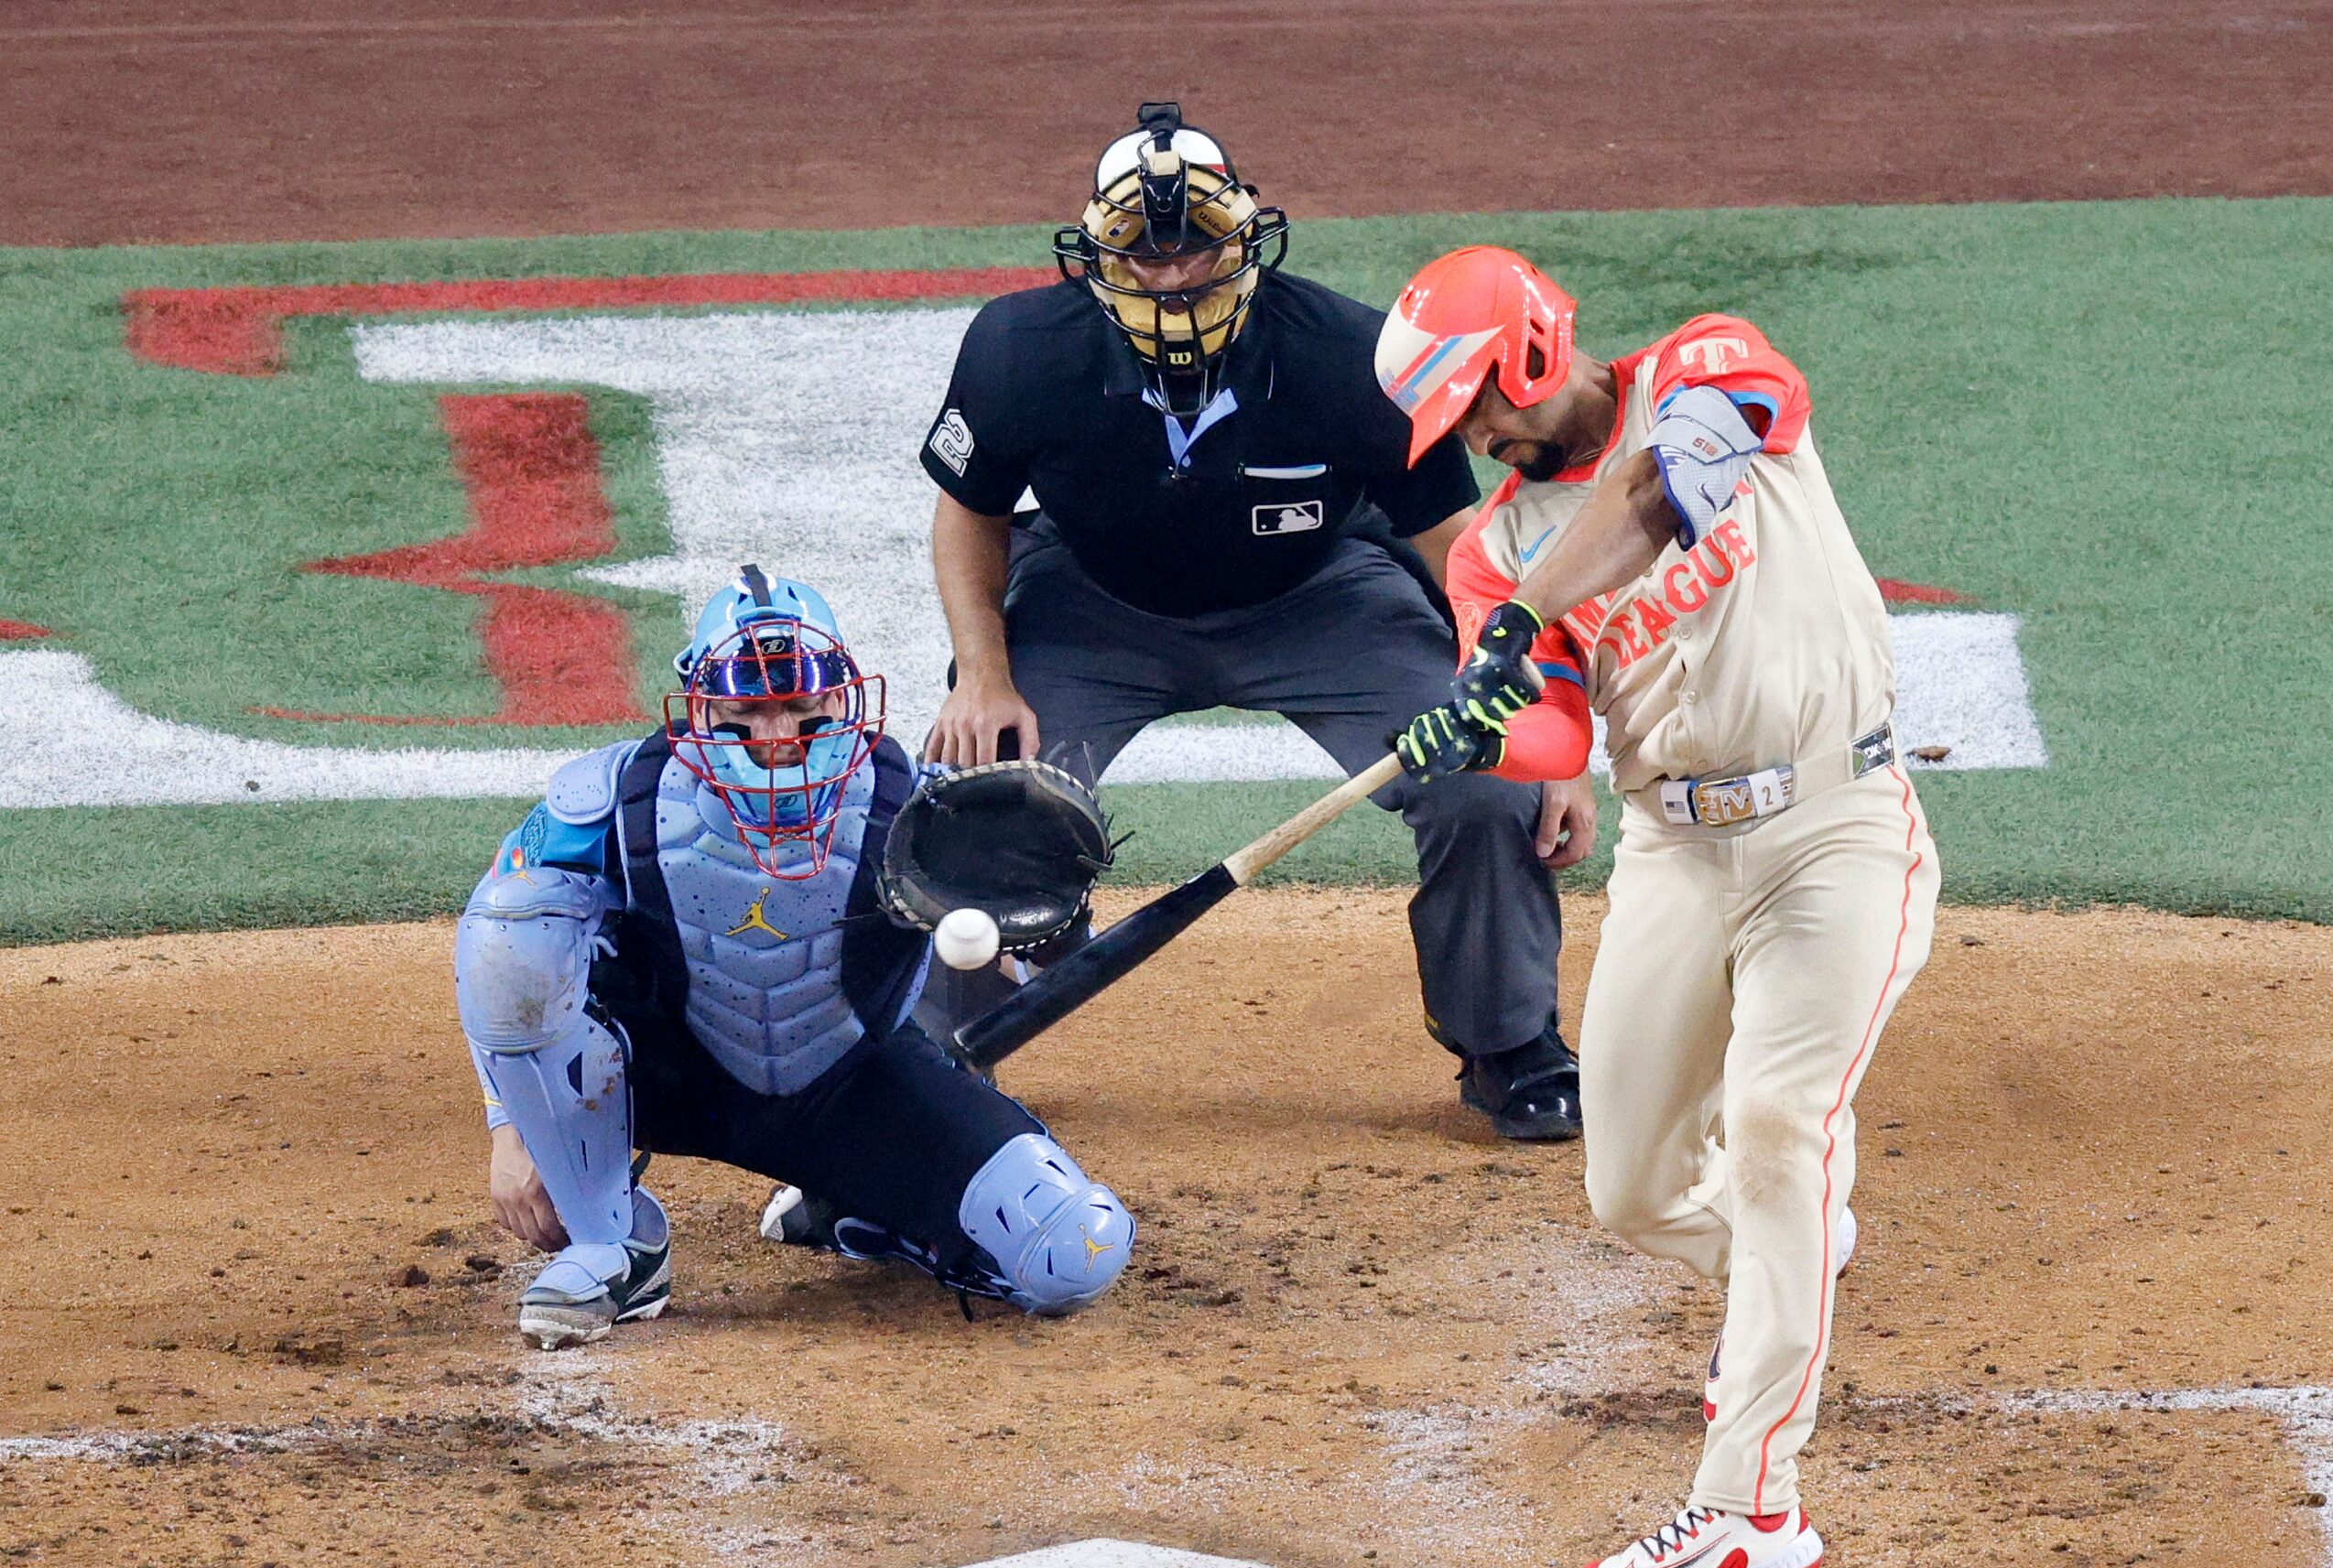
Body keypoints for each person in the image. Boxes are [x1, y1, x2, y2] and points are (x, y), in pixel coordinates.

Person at [1380, 248, 1939, 1568]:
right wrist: (1489, 717)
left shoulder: (1708, 369)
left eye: (1473, 406)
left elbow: (1664, 497)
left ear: (1527, 349)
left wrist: (1524, 612)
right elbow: (1559, 726)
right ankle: (1790, 1259)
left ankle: (1752, 1504)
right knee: (1626, 1186)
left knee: (1774, 1130)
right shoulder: (1491, 552)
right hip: (1678, 856)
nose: (1473, 439)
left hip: (1835, 828)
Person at [916, 101, 1590, 1141]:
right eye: (1142, 252)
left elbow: (1459, 547)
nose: (1172, 273)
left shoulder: (1351, 356)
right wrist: (982, 674)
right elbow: (969, 513)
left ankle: (1509, 1043)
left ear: (1247, 242)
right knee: (973, 804)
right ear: (1094, 253)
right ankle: (941, 1064)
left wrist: (1538, 726)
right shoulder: (1018, 349)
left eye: (1196, 248)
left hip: (1317, 599)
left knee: (1486, 777)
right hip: (1094, 602)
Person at [455, 566, 1134, 1349]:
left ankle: (859, 1212)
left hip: (847, 1088)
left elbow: (1031, 959)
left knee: (1076, 1250)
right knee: (520, 914)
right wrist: (513, 1127)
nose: (778, 739)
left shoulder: (922, 807)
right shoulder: (610, 799)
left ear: (841, 702)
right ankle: (613, 1244)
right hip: (656, 1080)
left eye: (801, 710)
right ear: (703, 708)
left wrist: (1049, 922)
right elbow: (495, 952)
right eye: (751, 711)